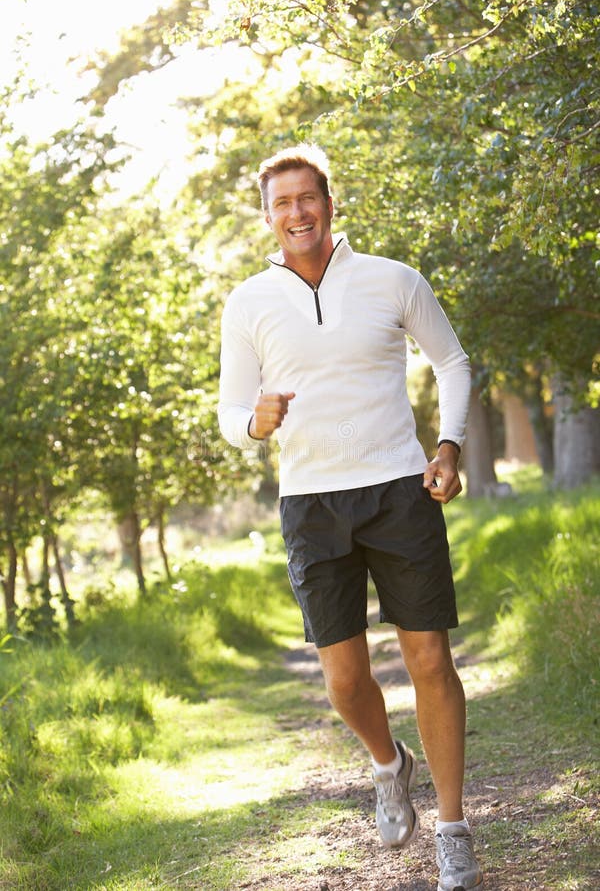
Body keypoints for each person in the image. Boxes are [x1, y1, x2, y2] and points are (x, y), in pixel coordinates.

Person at [218, 144, 483, 891]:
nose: (296, 212)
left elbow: (453, 363)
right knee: (342, 680)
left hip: (400, 489)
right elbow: (230, 412)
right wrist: (254, 423)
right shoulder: (248, 303)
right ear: (267, 217)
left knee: (431, 661)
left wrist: (450, 446)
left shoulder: (392, 280)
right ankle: (388, 763)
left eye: (308, 197)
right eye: (282, 203)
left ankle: (454, 830)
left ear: (330, 203)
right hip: (310, 503)